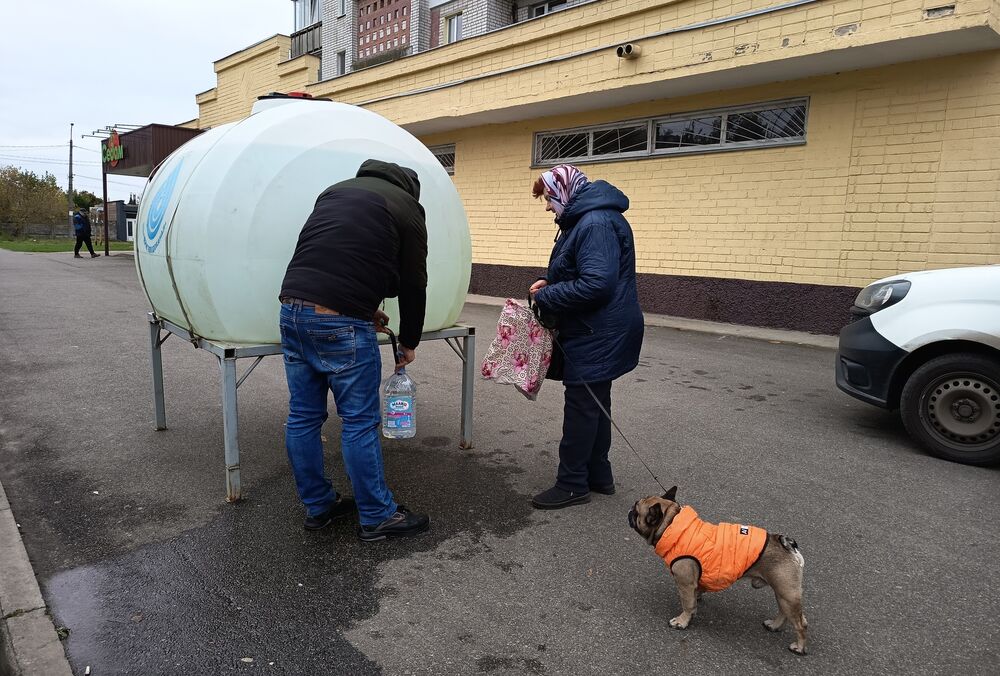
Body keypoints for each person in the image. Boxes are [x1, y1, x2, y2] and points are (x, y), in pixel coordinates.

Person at [278, 159, 430, 541]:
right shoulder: (406, 206)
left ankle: (319, 506)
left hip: (292, 310)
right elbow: (413, 282)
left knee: (303, 416)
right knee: (359, 421)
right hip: (339, 322)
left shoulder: (334, 192)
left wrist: (364, 307)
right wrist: (410, 341)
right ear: (410, 189)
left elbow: (332, 258)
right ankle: (377, 516)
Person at [528, 164, 644, 510]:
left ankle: (572, 484)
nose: (547, 207)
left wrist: (546, 297)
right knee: (595, 402)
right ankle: (598, 475)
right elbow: (586, 270)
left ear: (564, 191)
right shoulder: (589, 219)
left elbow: (597, 284)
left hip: (597, 331)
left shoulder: (594, 223)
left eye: (548, 198)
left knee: (582, 405)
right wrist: (551, 281)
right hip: (601, 326)